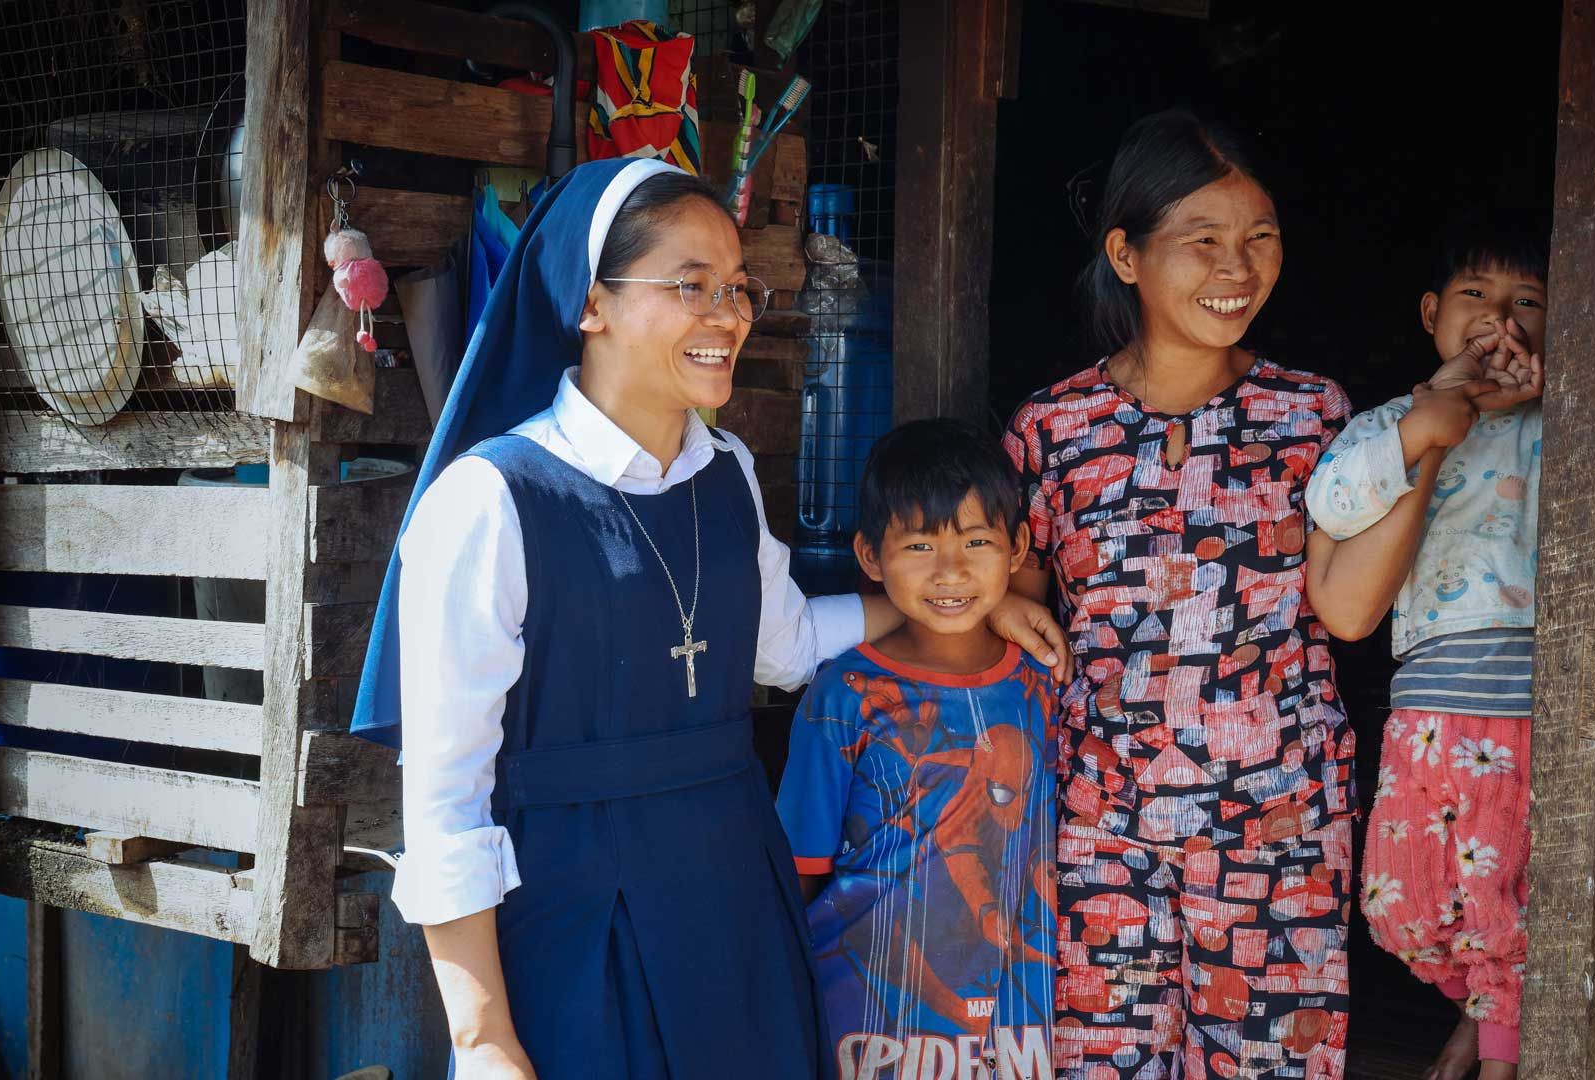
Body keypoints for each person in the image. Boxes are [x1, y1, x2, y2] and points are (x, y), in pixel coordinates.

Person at [348, 160, 1070, 1080]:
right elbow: (447, 796)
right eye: (692, 285)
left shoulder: (725, 471)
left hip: (733, 898)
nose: (728, 313)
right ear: (591, 304)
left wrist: (959, 598)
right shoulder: (490, 499)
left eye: (737, 287)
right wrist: (481, 1035)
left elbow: (788, 645)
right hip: (574, 912)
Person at [1005, 109, 1355, 1079]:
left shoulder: (1313, 417)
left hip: (1278, 830)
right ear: (1126, 252)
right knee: (1101, 1063)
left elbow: (1353, 611)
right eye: (1202, 242)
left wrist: (1426, 438)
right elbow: (1018, 600)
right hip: (1101, 831)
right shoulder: (1054, 429)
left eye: (1259, 239)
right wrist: (999, 603)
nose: (1236, 268)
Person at [1304, 213, 1547, 1080]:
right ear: (1430, 313)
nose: (1500, 318)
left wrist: (1554, 389)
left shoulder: (1561, 425)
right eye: (1476, 296)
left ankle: (1501, 1046)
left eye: (1528, 301)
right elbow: (1332, 506)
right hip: (1425, 711)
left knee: (1501, 904)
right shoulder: (1387, 422)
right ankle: (1483, 1015)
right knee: (1396, 907)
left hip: (1525, 707)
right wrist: (1430, 418)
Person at [776, 420, 1059, 1080]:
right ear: (871, 557)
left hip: (1018, 1028)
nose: (951, 570)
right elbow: (800, 867)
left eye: (977, 540)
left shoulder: (1043, 686)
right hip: (868, 1024)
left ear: (1018, 547)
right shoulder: (844, 696)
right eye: (920, 545)